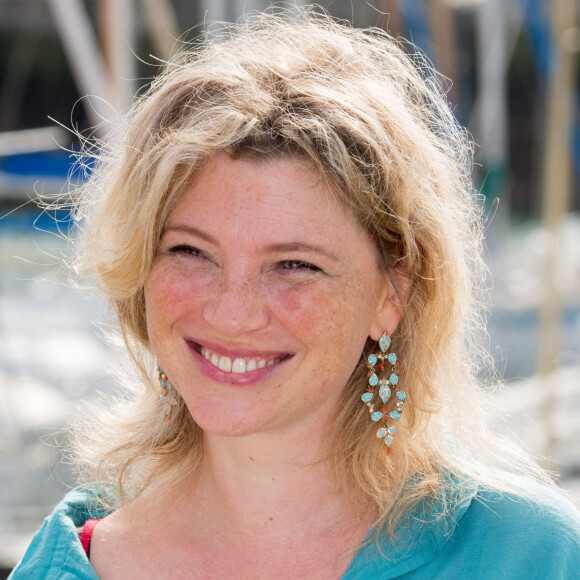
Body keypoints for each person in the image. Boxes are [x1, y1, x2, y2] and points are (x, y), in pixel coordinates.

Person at [10, 8, 580, 580]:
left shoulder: (529, 555)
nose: (232, 312)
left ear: (394, 293)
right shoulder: (68, 566)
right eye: (190, 252)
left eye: (293, 265)